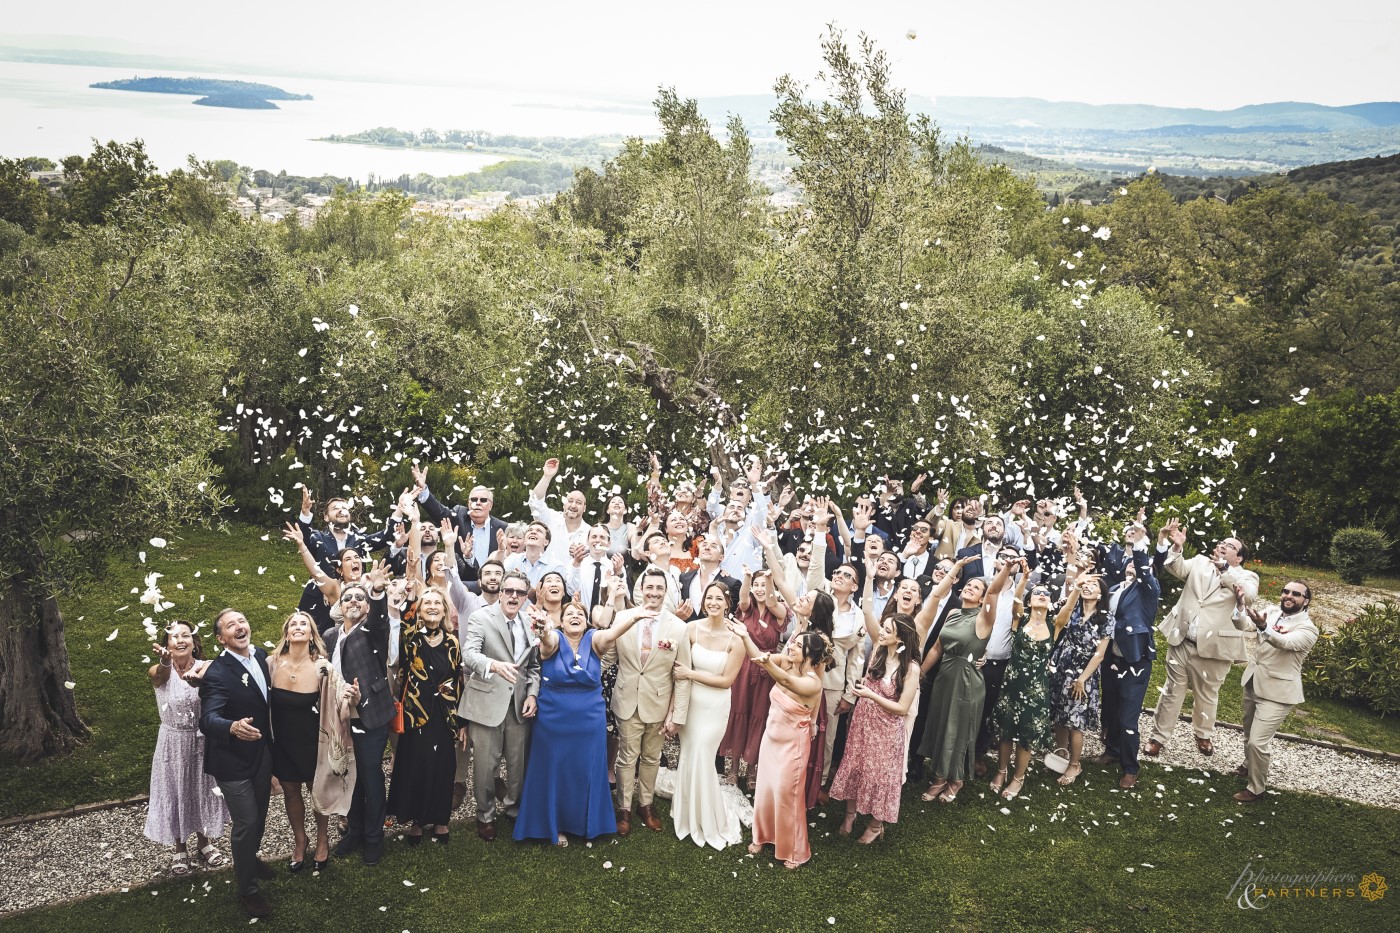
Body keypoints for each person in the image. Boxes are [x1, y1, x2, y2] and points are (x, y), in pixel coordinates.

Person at [514, 601, 655, 845]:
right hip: (553, 721)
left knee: (586, 769)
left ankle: (584, 824)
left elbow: (611, 633)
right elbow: (547, 642)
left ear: (586, 619)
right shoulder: (554, 639)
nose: (575, 616)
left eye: (580, 613)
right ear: (562, 621)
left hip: (589, 720)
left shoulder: (594, 639)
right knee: (554, 771)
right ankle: (553, 825)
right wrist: (542, 628)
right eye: (569, 614)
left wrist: (633, 619)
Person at [1147, 520, 1259, 758]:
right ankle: (1158, 738)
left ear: (1238, 558)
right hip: (1182, 639)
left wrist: (1225, 572)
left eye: (1229, 545)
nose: (1222, 546)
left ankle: (1203, 735)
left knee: (1207, 695)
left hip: (1215, 647)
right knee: (1171, 692)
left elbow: (1248, 597)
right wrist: (1177, 547)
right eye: (1221, 542)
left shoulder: (1247, 576)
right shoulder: (1199, 562)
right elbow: (1174, 568)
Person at [727, 625, 832, 869]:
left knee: (787, 795)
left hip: (792, 745)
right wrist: (745, 634)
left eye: (798, 645)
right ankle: (762, 836)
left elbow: (784, 680)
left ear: (810, 655)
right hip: (770, 740)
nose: (791, 645)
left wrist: (767, 662)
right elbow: (756, 657)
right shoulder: (785, 662)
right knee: (765, 789)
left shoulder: (812, 683)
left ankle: (794, 849)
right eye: (792, 643)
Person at [196, 608, 276, 919]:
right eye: (231, 626)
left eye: (242, 621)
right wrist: (231, 727)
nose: (239, 627)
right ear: (221, 638)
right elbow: (208, 719)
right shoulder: (217, 673)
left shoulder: (261, 656)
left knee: (260, 816)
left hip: (262, 753)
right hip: (231, 761)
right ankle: (249, 890)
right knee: (246, 823)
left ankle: (249, 857)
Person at [917, 556, 1013, 803]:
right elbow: (937, 648)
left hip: (967, 680)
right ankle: (939, 776)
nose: (970, 587)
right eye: (968, 584)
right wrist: (921, 673)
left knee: (958, 730)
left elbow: (993, 590)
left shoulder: (984, 618)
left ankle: (956, 778)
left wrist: (1007, 568)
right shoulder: (953, 614)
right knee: (940, 724)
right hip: (944, 677)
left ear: (982, 598)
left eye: (976, 587)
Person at [460, 570, 541, 842]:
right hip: (486, 701)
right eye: (509, 591)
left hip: (519, 705)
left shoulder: (531, 623)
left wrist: (532, 694)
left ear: (525, 596)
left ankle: (514, 810)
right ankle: (485, 816)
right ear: (501, 592)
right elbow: (469, 655)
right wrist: (492, 665)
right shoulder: (481, 617)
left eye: (520, 592)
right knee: (485, 766)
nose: (514, 596)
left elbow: (534, 667)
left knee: (518, 766)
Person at [144, 620, 229, 877]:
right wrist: (166, 662)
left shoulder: (209, 666)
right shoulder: (160, 671)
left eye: (185, 635)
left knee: (203, 789)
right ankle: (179, 847)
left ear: (194, 642)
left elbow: (217, 684)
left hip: (203, 739)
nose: (180, 640)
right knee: (176, 790)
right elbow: (159, 676)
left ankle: (205, 842)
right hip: (173, 742)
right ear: (167, 644)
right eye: (174, 637)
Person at [323, 571, 395, 867]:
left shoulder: (372, 629)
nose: (354, 601)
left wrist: (377, 592)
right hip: (337, 716)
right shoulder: (329, 635)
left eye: (360, 598)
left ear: (367, 606)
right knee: (347, 776)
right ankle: (354, 832)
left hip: (369, 713)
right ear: (339, 606)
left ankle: (374, 837)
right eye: (348, 597)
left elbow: (381, 619)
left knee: (369, 773)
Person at [612, 567, 692, 835]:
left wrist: (677, 716)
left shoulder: (678, 628)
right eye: (650, 587)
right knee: (626, 758)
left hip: (658, 704)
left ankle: (645, 805)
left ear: (665, 592)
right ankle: (623, 807)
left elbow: (682, 676)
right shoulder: (622, 618)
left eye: (659, 588)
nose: (654, 593)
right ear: (641, 590)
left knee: (651, 757)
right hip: (626, 700)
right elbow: (607, 658)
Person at [829, 614, 921, 844]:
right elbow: (869, 613)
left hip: (887, 730)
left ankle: (875, 825)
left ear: (900, 638)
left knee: (881, 777)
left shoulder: (911, 668)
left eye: (888, 630)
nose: (881, 632)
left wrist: (871, 695)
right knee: (856, 767)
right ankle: (850, 815)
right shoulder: (879, 652)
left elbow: (902, 708)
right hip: (863, 724)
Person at [670, 581, 746, 849]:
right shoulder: (691, 629)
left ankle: (707, 818)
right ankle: (686, 813)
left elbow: (726, 681)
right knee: (689, 753)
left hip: (714, 705)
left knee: (703, 753)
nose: (713, 602)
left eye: (718, 598)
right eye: (709, 598)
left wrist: (690, 674)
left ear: (728, 603)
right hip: (690, 703)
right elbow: (675, 665)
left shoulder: (737, 640)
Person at [386, 585, 463, 844]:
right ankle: (417, 820)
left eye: (437, 603)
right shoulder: (410, 638)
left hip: (443, 715)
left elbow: (457, 679)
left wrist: (456, 713)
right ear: (419, 610)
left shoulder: (453, 642)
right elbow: (403, 669)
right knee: (416, 766)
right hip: (415, 714)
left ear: (444, 611)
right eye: (426, 603)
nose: (432, 607)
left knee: (442, 767)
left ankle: (441, 819)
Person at [1232, 581, 1319, 803]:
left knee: (1258, 742)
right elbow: (1241, 625)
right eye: (1286, 591)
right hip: (1253, 681)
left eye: (1296, 594)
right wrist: (1240, 604)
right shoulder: (1271, 612)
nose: (1289, 596)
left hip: (1279, 692)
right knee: (1249, 732)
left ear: (1305, 601)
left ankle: (1256, 789)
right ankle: (1247, 765)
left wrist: (1263, 627)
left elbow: (1283, 642)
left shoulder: (1308, 629)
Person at [268, 612, 333, 871]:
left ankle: (322, 838)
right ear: (286, 633)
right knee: (291, 792)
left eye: (303, 624)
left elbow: (334, 704)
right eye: (293, 624)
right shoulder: (271, 664)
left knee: (316, 792)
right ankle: (300, 839)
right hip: (283, 741)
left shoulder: (322, 667)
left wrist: (351, 697)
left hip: (312, 741)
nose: (298, 627)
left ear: (311, 633)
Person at [1093, 544, 1160, 789]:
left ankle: (1130, 767)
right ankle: (1111, 750)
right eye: (1130, 562)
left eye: (1139, 563)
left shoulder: (1148, 590)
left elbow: (1143, 569)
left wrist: (1140, 545)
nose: (1133, 564)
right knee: (1110, 708)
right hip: (1111, 657)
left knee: (1128, 716)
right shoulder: (1112, 589)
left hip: (1135, 660)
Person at [719, 567, 785, 791]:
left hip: (767, 667)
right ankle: (734, 767)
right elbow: (744, 597)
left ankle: (752, 769)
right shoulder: (746, 610)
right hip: (744, 666)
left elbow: (774, 603)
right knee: (740, 712)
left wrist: (768, 580)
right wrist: (747, 578)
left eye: (763, 585)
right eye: (756, 585)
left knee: (760, 716)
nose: (759, 589)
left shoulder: (778, 612)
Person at [990, 579, 1054, 800]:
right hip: (1012, 685)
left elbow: (1069, 607)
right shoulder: (1020, 619)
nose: (1043, 595)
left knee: (1026, 735)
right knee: (1006, 731)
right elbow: (1016, 601)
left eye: (1047, 593)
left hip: (1036, 689)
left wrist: (1076, 587)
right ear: (1029, 600)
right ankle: (1001, 770)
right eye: (1037, 593)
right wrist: (1025, 579)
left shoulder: (1056, 624)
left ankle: (1019, 777)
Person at [1048, 571, 1112, 785]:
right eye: (1086, 584)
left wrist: (1082, 679)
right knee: (1059, 715)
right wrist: (1077, 584)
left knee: (1076, 720)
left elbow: (1100, 654)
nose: (1087, 587)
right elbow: (1058, 618)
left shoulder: (1106, 618)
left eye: (1093, 585)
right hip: (1062, 665)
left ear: (1101, 594)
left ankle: (1075, 765)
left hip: (1084, 672)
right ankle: (1062, 755)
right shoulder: (1073, 607)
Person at [530, 456, 590, 567]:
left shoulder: (590, 532)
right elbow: (535, 502)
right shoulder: (551, 519)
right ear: (564, 505)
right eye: (570, 501)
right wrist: (547, 476)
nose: (573, 505)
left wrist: (581, 556)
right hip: (549, 580)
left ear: (584, 508)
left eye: (578, 502)